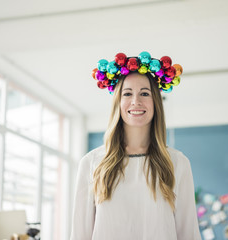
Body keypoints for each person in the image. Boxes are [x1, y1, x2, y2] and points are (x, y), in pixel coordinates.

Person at [70, 52, 201, 240]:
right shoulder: (91, 163)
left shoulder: (178, 163)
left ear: (156, 102)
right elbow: (79, 235)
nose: (136, 101)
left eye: (145, 93)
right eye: (128, 93)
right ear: (118, 102)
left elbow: (188, 234)